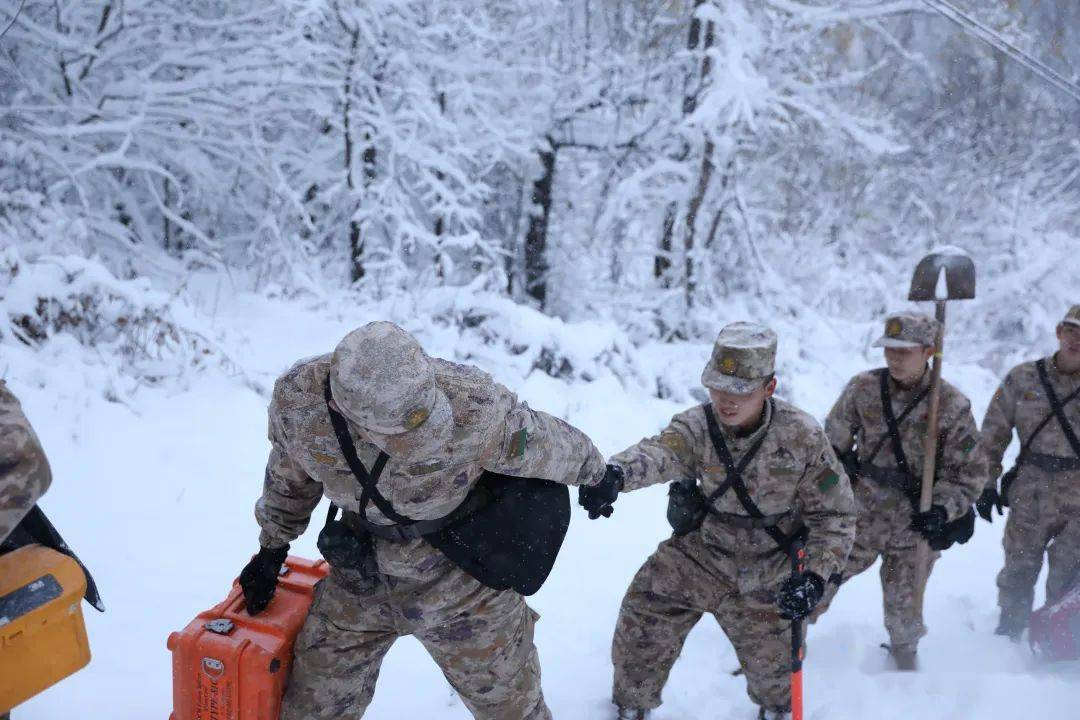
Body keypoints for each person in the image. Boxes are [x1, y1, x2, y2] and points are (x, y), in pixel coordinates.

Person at [242, 321, 609, 720]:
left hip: (461, 578)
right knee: (312, 706)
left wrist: (597, 475)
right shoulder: (300, 406)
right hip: (360, 571)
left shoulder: (472, 407)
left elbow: (546, 442)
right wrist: (272, 547)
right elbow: (289, 475)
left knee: (512, 709)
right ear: (340, 408)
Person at [580, 322, 855, 720]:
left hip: (770, 564)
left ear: (769, 388)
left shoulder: (802, 437)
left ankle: (774, 709)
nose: (726, 399)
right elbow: (660, 453)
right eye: (717, 386)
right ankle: (631, 707)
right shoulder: (697, 426)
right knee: (643, 618)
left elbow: (836, 517)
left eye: (740, 390)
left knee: (775, 676)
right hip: (703, 553)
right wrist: (615, 476)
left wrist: (814, 577)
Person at [811, 312, 985, 669]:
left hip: (914, 523)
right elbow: (829, 449)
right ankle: (776, 653)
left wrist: (942, 509)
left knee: (904, 609)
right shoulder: (863, 389)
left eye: (904, 351)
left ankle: (905, 669)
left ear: (928, 352)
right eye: (889, 349)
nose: (894, 358)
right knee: (814, 583)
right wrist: (830, 483)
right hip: (859, 515)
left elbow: (969, 473)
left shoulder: (950, 404)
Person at [977, 304, 1080, 639]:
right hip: (1030, 491)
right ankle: (1010, 637)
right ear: (1059, 332)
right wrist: (986, 484)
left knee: (1067, 577)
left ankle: (1055, 641)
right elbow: (992, 435)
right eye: (1072, 331)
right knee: (1018, 569)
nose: (1077, 340)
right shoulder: (1023, 378)